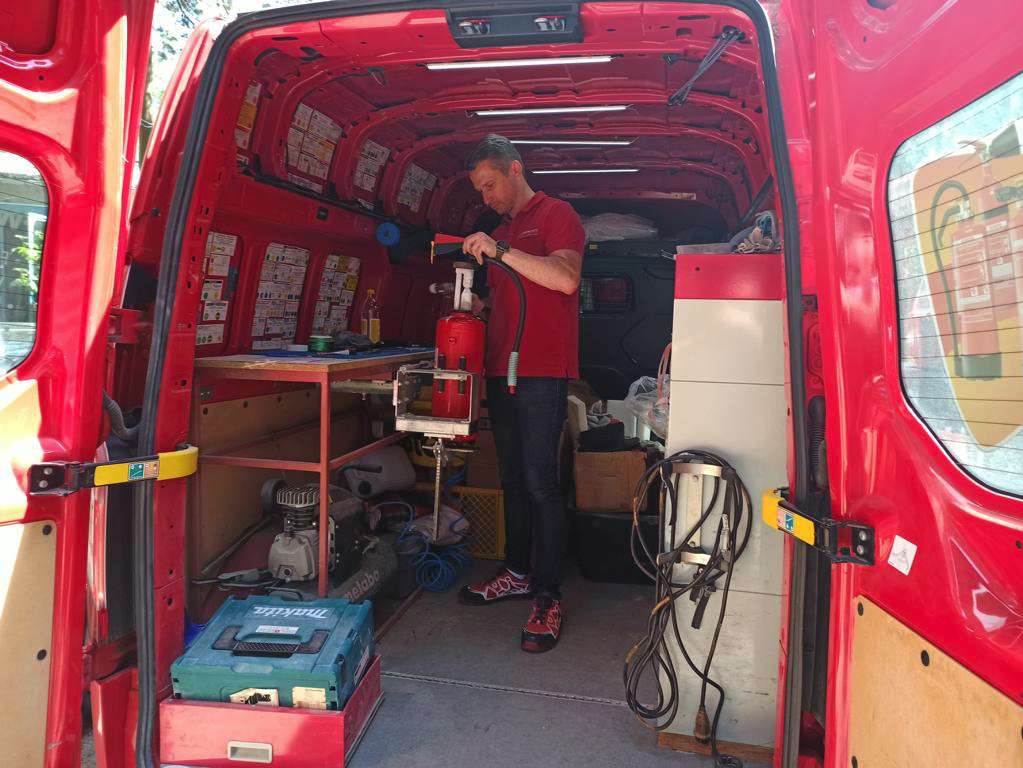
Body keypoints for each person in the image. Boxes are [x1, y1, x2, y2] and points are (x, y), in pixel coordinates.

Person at [456, 134, 585, 654]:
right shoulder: (500, 232)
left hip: (541, 372)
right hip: (501, 369)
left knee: (540, 483)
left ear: (514, 169)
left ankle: (548, 594)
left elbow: (565, 279)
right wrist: (476, 308)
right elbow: (509, 298)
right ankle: (515, 572)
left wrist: (503, 251)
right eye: (479, 191)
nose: (486, 198)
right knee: (511, 477)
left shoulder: (556, 215)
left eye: (490, 185)